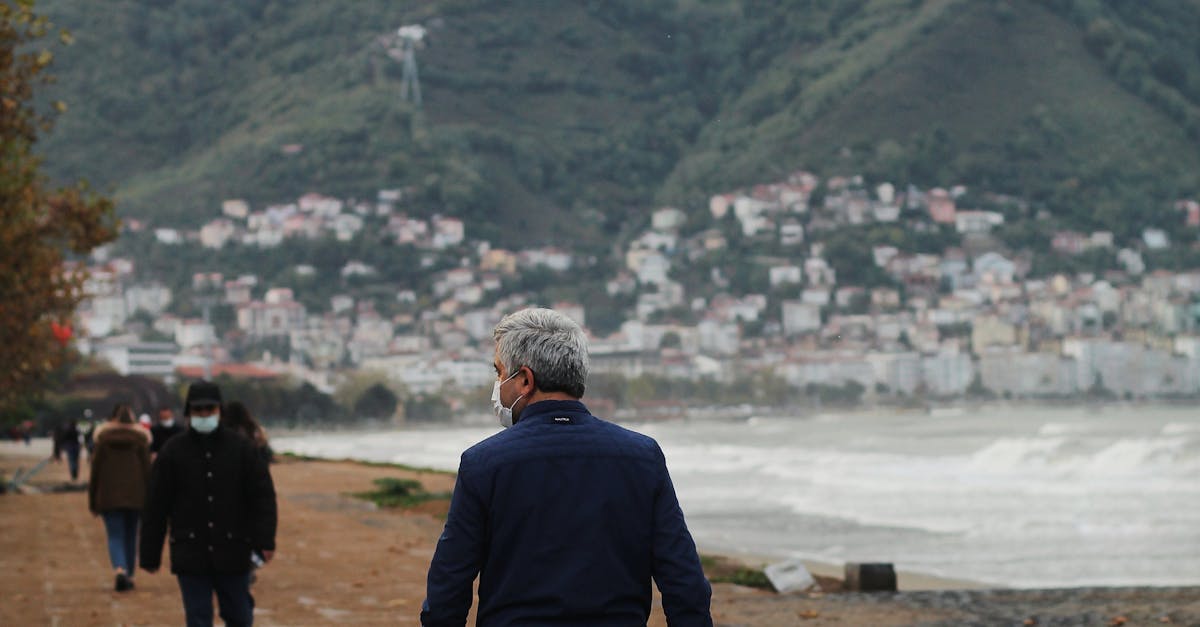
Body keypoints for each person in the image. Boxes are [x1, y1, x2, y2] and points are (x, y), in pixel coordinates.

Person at [421, 308, 713, 626]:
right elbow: (685, 584)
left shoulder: (483, 464)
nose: (497, 384)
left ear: (525, 380)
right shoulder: (642, 457)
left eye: (499, 372)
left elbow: (448, 588)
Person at [141, 381, 278, 627]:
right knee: (198, 618)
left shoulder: (242, 449)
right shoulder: (173, 452)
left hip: (234, 548)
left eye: (210, 410)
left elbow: (262, 497)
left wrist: (265, 540)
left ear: (220, 411)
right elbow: (156, 505)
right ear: (189, 413)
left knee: (239, 616)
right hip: (190, 551)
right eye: (198, 410)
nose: (204, 415)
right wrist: (150, 553)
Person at [89, 403, 151, 592]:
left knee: (115, 536)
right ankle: (130, 574)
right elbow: (147, 471)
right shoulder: (141, 439)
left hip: (109, 496)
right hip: (136, 495)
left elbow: (96, 472)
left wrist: (93, 499)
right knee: (132, 536)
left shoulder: (103, 440)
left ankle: (120, 569)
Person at [53, 417, 83, 481]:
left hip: (70, 447)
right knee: (76, 461)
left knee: (71, 461)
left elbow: (64, 438)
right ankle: (75, 474)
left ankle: (73, 474)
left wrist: (61, 446)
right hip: (76, 447)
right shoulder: (76, 430)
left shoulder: (68, 430)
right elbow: (80, 439)